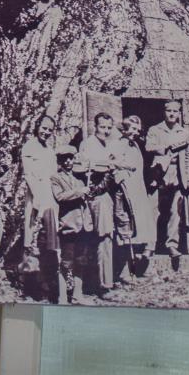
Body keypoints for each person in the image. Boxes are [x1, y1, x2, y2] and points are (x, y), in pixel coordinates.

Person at [145, 100, 189, 270]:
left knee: (175, 212)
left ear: (179, 113)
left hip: (176, 174)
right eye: (169, 111)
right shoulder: (155, 129)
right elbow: (148, 147)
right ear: (164, 112)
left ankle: (172, 245)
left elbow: (187, 156)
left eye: (175, 111)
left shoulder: (183, 132)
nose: (172, 114)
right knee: (153, 211)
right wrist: (166, 148)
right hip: (158, 174)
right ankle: (149, 246)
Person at [110, 115, 155, 281]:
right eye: (133, 129)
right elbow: (113, 166)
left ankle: (139, 268)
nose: (136, 132)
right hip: (124, 192)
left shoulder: (135, 145)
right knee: (125, 227)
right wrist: (122, 180)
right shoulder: (117, 144)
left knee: (140, 227)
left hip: (137, 191)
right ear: (125, 129)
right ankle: (124, 272)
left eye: (138, 130)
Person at [79, 112, 117, 296]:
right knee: (98, 238)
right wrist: (106, 165)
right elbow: (86, 167)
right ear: (95, 127)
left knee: (106, 237)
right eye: (102, 127)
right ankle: (98, 284)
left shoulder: (108, 145)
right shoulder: (88, 144)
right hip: (94, 196)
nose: (106, 131)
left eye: (109, 128)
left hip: (105, 196)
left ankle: (104, 282)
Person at [50, 146, 91, 303]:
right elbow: (60, 197)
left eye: (70, 158)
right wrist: (80, 191)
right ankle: (62, 297)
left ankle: (77, 295)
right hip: (68, 227)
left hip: (82, 226)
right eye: (64, 159)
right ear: (60, 161)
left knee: (81, 261)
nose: (68, 162)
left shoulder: (79, 179)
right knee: (66, 263)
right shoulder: (55, 178)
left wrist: (88, 191)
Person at [21, 114, 59, 256]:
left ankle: (47, 262)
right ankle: (28, 264)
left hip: (49, 192)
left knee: (48, 230)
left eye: (50, 130)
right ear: (37, 127)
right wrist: (37, 196)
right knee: (32, 228)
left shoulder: (49, 150)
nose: (46, 132)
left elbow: (53, 173)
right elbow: (28, 174)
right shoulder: (29, 146)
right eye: (44, 128)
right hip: (35, 191)